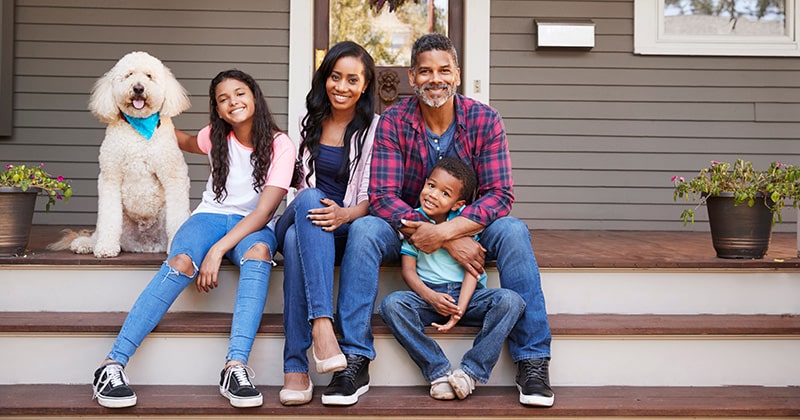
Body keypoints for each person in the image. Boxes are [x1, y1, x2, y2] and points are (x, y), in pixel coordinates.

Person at [338, 33, 555, 407]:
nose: (434, 79)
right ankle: (354, 358)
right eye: (425, 71)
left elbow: (499, 194)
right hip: (406, 229)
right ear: (411, 77)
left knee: (514, 230)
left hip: (471, 226)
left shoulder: (485, 120)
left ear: (457, 74)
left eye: (443, 70)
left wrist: (448, 231)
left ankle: (532, 360)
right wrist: (433, 232)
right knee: (363, 229)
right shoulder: (393, 121)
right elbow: (382, 197)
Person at [90, 69, 296, 409]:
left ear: (255, 96)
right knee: (181, 261)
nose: (233, 102)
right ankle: (112, 364)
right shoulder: (215, 135)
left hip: (252, 225)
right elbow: (181, 141)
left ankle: (235, 366)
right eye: (223, 99)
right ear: (217, 109)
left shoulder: (280, 144)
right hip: (207, 218)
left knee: (259, 253)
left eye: (240, 93)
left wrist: (218, 250)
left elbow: (263, 212)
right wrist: (144, 122)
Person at [274, 41, 378, 406]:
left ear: (365, 86)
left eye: (352, 80)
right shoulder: (310, 121)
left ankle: (295, 367)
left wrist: (345, 214)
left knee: (291, 245)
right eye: (335, 77)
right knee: (307, 198)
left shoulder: (375, 130)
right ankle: (322, 326)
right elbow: (297, 186)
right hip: (302, 214)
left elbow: (372, 196)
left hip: (343, 225)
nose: (342, 87)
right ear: (325, 78)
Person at [378, 157, 526, 400]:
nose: (433, 195)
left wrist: (459, 310)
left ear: (458, 204)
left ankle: (470, 372)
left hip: (469, 297)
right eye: (431, 186)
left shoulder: (463, 225)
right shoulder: (414, 222)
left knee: (511, 301)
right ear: (424, 184)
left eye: (445, 193)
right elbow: (408, 272)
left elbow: (473, 269)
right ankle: (438, 371)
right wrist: (431, 296)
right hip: (428, 297)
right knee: (391, 305)